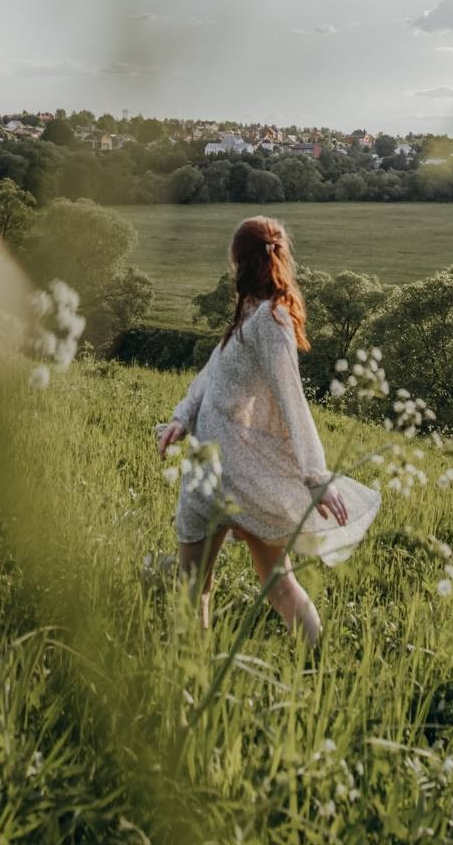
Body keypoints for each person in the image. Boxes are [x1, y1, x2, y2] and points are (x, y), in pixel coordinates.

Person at [157, 215, 380, 645]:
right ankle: (190, 671)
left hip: (242, 477)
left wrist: (315, 475)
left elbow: (292, 398)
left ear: (237, 260)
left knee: (273, 585)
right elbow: (212, 374)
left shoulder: (271, 321)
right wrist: (182, 418)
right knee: (194, 587)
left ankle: (317, 662)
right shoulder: (248, 312)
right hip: (209, 471)